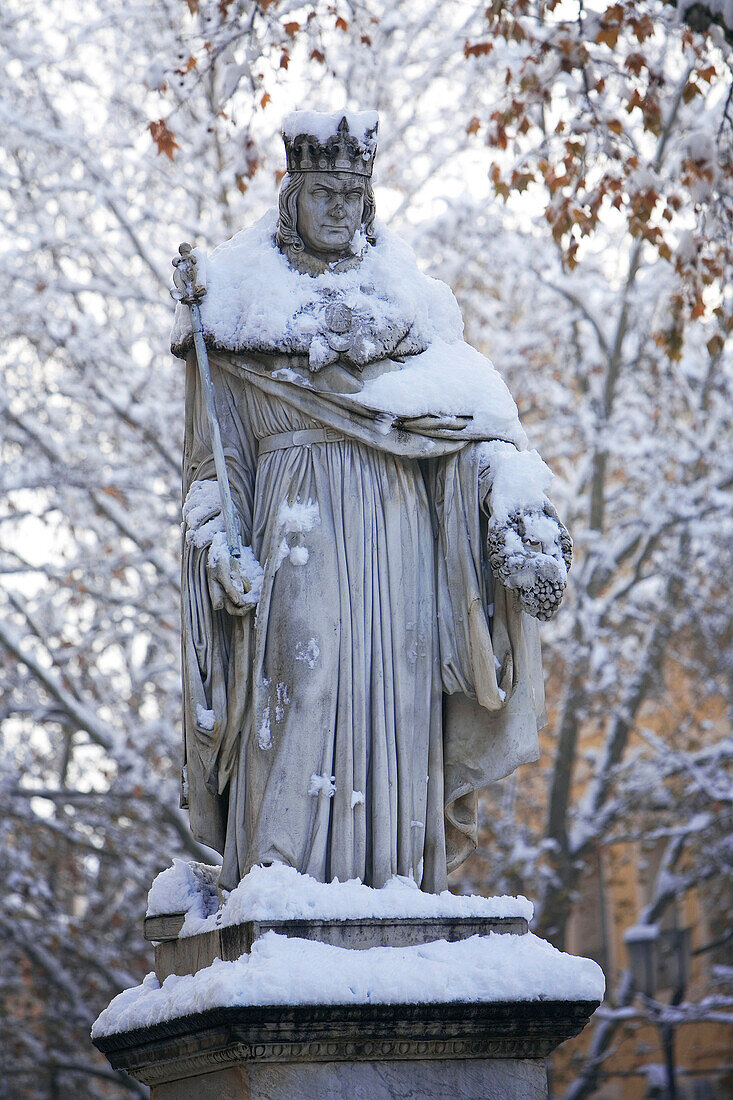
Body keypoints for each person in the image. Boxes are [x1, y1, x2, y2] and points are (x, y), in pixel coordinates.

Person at [171, 110, 571, 894]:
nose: (339, 209)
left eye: (353, 194)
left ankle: (393, 879)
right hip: (296, 537)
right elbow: (212, 466)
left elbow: (467, 426)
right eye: (322, 191)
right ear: (292, 195)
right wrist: (221, 546)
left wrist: (512, 510)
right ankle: (280, 880)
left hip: (400, 543)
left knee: (400, 695)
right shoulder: (234, 317)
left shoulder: (415, 313)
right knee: (303, 680)